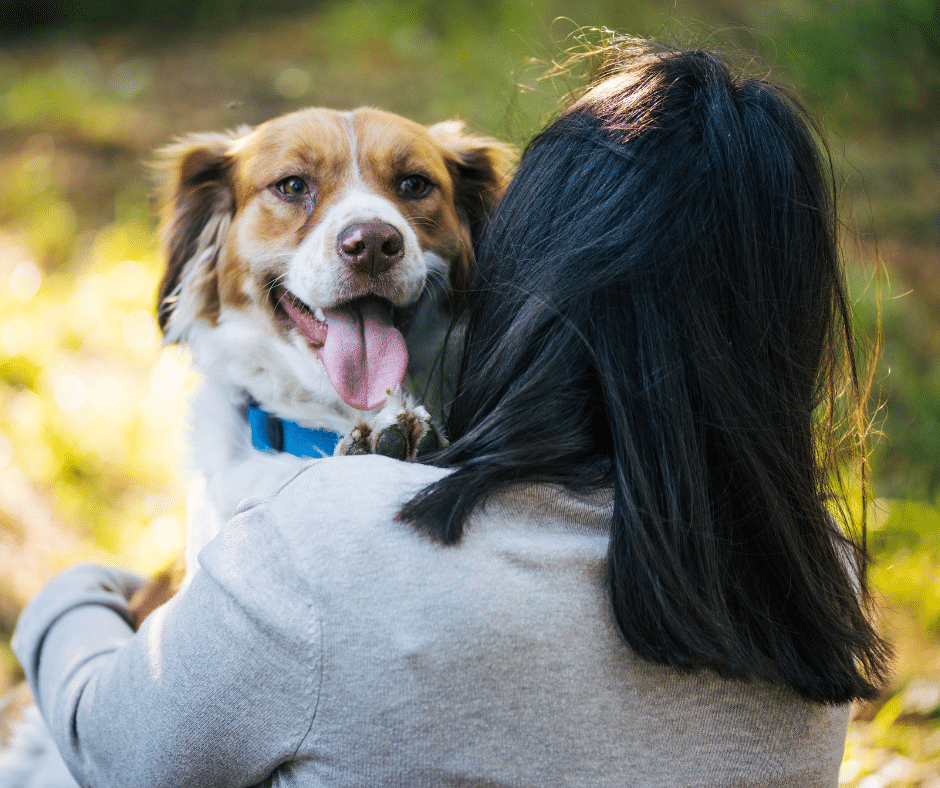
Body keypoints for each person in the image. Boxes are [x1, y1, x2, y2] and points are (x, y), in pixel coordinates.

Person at [13, 37, 889, 788]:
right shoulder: (817, 580)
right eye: (294, 188)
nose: (368, 227)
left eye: (412, 192)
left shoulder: (325, 546)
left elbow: (113, 746)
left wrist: (74, 594)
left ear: (523, 264)